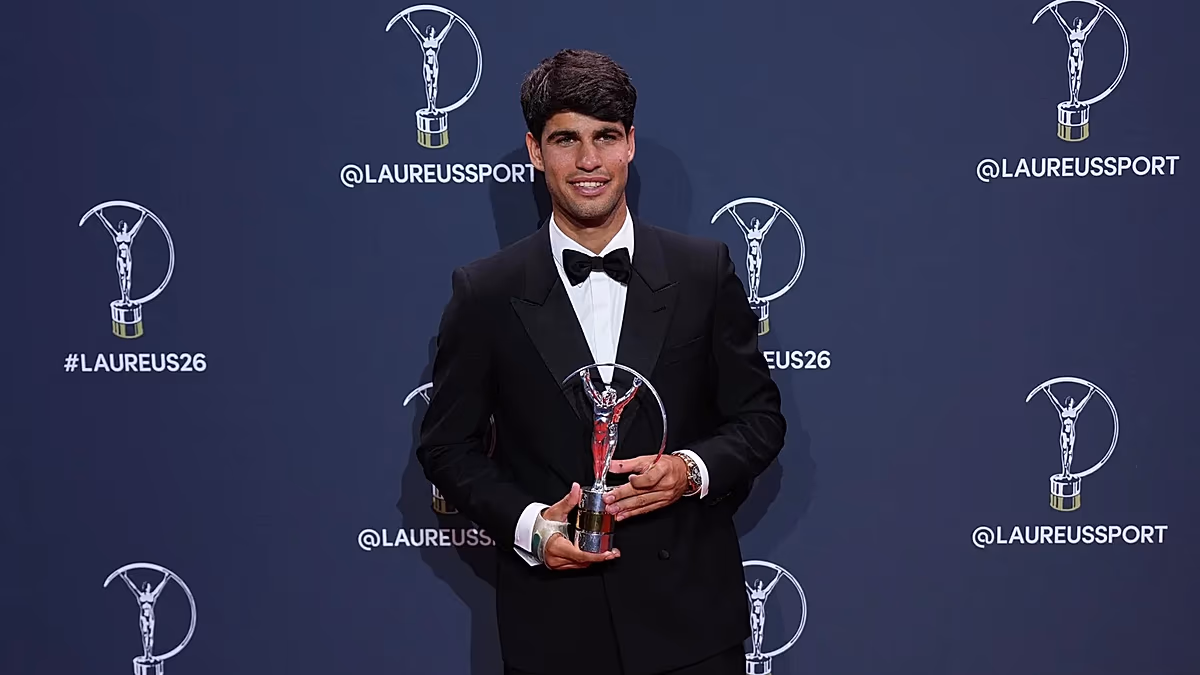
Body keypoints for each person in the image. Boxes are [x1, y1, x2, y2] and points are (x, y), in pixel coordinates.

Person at [415, 49, 786, 675]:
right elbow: (448, 447)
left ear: (630, 145)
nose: (588, 162)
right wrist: (534, 527)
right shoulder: (485, 291)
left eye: (604, 137)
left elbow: (759, 419)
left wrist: (690, 471)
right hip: (555, 627)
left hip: (692, 624)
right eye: (566, 139)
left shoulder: (703, 270)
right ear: (535, 151)